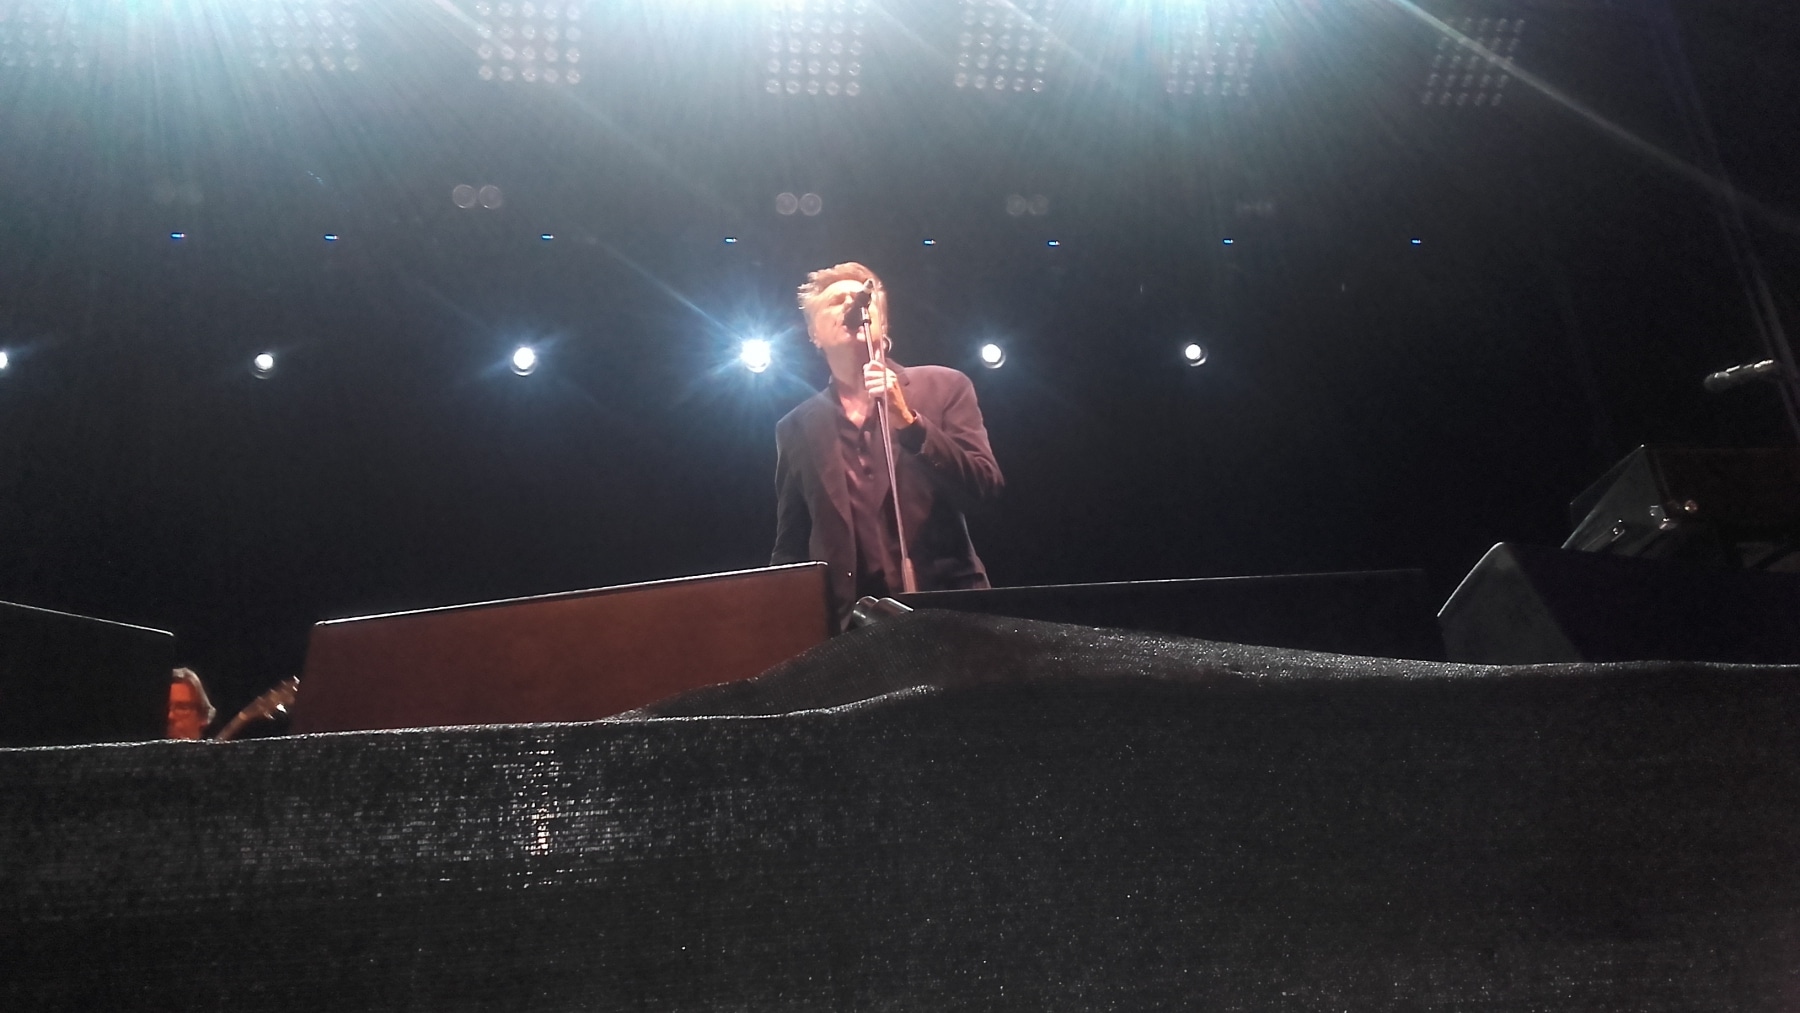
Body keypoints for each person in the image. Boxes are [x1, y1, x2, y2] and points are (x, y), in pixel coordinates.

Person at [772, 261, 1003, 624]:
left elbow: (984, 489)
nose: (852, 305)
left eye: (863, 300)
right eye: (836, 301)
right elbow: (791, 544)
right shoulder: (796, 427)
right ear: (814, 333)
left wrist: (910, 423)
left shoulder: (944, 387)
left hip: (949, 611)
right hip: (852, 625)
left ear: (882, 322)